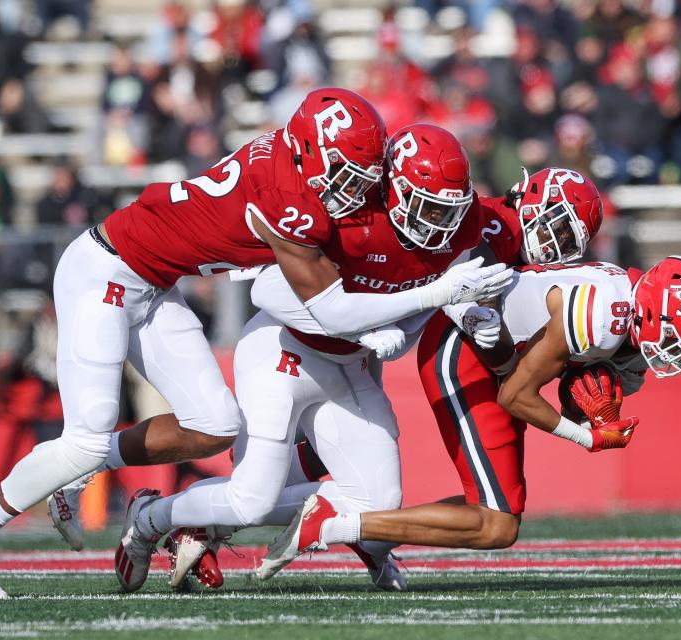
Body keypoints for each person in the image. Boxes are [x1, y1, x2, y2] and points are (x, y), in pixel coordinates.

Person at [0, 89, 512, 599]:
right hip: (104, 270)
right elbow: (330, 308)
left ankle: (86, 473)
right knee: (86, 434)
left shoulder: (294, 155)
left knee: (214, 425)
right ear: (309, 157)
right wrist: (439, 290)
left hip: (156, 284)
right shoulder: (293, 201)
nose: (354, 193)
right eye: (345, 176)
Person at [114, 123, 501, 593]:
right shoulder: (352, 215)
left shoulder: (454, 233)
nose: (438, 224)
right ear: (394, 190)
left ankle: (206, 524)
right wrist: (381, 317)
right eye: (427, 207)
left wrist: (445, 309)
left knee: (379, 503)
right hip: (284, 352)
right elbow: (270, 288)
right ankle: (152, 516)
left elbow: (423, 293)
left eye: (449, 211)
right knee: (252, 497)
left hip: (349, 366)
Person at [256, 253, 681, 578]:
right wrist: (586, 437)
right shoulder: (605, 316)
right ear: (654, 312)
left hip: (501, 359)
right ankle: (335, 523)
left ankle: (352, 523)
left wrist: (588, 411)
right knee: (496, 522)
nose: (677, 355)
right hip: (466, 347)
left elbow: (555, 386)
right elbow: (517, 395)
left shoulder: (627, 330)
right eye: (677, 338)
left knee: (498, 521)